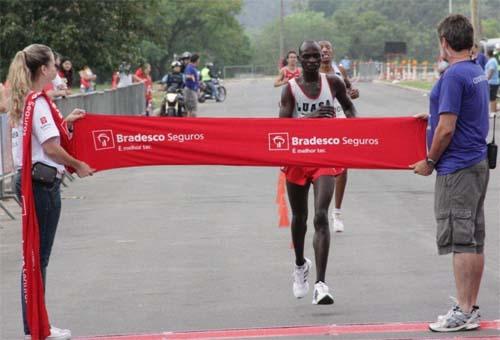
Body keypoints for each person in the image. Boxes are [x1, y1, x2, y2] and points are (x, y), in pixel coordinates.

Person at [7, 44, 95, 339]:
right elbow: (50, 148)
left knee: (34, 256)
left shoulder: (26, 100)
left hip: (28, 180)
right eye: (54, 64)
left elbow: (38, 138)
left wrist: (64, 122)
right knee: (37, 258)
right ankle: (38, 327)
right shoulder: (39, 102)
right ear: (43, 69)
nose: (57, 68)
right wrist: (78, 164)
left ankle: (36, 324)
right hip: (41, 184)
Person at [410, 14, 490, 332]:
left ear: (444, 42)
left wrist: (429, 161)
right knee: (474, 239)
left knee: (461, 241)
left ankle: (464, 309)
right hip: (475, 163)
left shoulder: (454, 75)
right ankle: (469, 306)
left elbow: (447, 128)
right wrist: (430, 114)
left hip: (457, 168)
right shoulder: (475, 72)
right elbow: (454, 114)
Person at [280, 40, 357, 305]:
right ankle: (301, 265)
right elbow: (283, 126)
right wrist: (311, 120)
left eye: (316, 56)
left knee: (321, 215)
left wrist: (355, 130)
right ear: (299, 60)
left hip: (325, 155)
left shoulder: (333, 82)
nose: (313, 60)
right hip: (298, 158)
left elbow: (349, 108)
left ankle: (321, 284)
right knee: (300, 218)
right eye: (307, 57)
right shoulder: (290, 90)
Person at [318, 40, 359, 233]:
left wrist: (353, 93)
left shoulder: (339, 70)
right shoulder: (311, 72)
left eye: (328, 48)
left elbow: (349, 92)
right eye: (321, 48)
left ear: (332, 53)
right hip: (318, 124)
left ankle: (337, 213)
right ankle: (321, 211)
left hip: (340, 121)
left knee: (342, 167)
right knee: (320, 169)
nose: (325, 51)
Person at [485, 49, 499, 115]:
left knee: (492, 98)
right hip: (493, 82)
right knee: (493, 97)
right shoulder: (492, 60)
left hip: (492, 82)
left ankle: (493, 112)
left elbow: (491, 70)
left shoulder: (492, 61)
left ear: (487, 53)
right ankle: (494, 111)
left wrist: (486, 79)